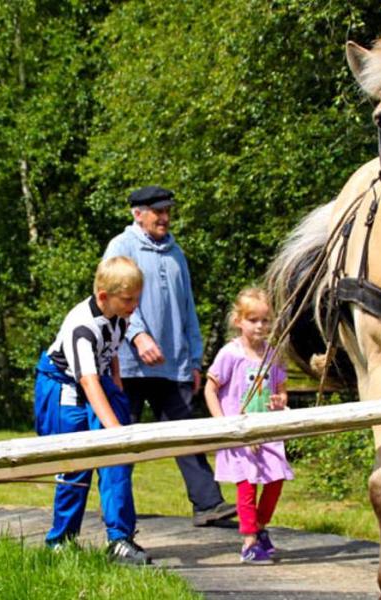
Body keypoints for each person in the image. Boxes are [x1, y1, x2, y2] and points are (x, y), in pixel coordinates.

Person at [103, 185, 236, 526]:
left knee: (185, 436)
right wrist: (138, 335)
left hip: (173, 365)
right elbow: (115, 299)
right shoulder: (121, 247)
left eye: (167, 211)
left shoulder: (176, 253)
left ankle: (209, 506)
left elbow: (187, 308)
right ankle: (115, 513)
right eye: (157, 211)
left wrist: (193, 360)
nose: (164, 217)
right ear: (138, 213)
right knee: (123, 440)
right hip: (129, 365)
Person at [34, 256, 151, 565]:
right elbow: (86, 380)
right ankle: (61, 540)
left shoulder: (121, 314)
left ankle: (120, 539)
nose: (134, 306)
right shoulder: (81, 327)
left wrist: (118, 385)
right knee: (76, 463)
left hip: (98, 381)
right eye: (128, 299)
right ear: (103, 296)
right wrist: (115, 430)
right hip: (66, 387)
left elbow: (111, 349)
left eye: (137, 299)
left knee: (117, 460)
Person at [204, 287, 294, 564]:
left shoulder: (273, 354)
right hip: (241, 432)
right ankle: (249, 542)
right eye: (253, 320)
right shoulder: (230, 354)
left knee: (276, 480)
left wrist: (280, 400)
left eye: (265, 320)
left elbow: (280, 389)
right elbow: (210, 388)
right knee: (247, 485)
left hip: (268, 431)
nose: (260, 326)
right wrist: (224, 424)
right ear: (239, 321)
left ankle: (260, 527)